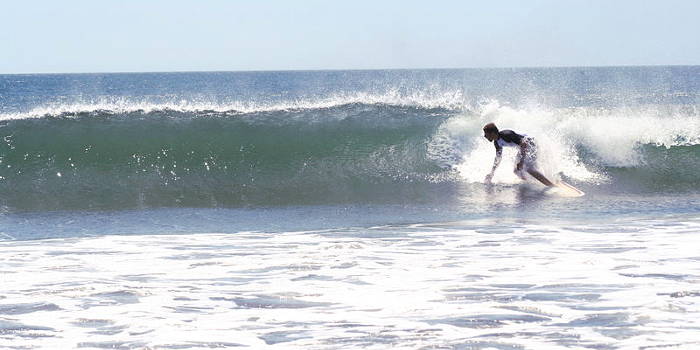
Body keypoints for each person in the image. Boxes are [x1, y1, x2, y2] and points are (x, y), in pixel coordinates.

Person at [482, 123, 554, 187]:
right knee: (516, 171)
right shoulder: (497, 143)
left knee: (528, 168)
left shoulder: (507, 135)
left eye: (486, 134)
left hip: (531, 143)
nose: (485, 136)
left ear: (492, 133)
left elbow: (524, 144)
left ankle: (551, 185)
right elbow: (498, 158)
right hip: (523, 148)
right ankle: (533, 183)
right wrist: (492, 173)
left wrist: (521, 161)